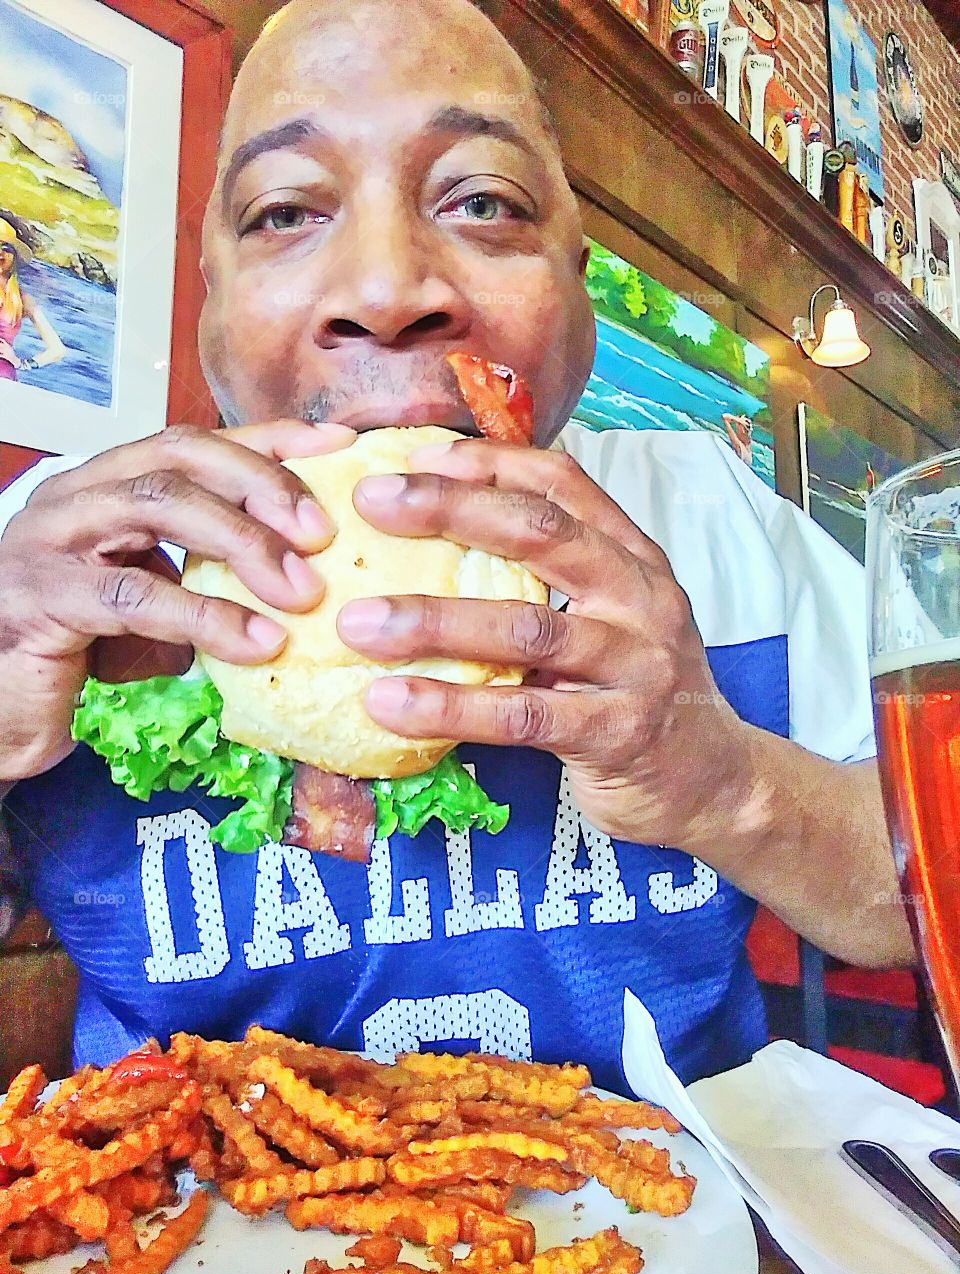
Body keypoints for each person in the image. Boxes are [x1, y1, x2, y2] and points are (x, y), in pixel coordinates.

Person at [0, 0, 912, 1091]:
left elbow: (925, 898)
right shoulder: (59, 557)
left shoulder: (710, 517)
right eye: (285, 212)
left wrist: (731, 784)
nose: (386, 293)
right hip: (176, 1190)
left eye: (483, 201)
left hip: (673, 1187)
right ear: (211, 299)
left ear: (577, 276)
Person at [0, 215, 66, 380]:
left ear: (15, 256)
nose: (0, 252)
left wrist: (22, 363)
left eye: (6, 247)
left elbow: (57, 349)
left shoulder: (22, 299)